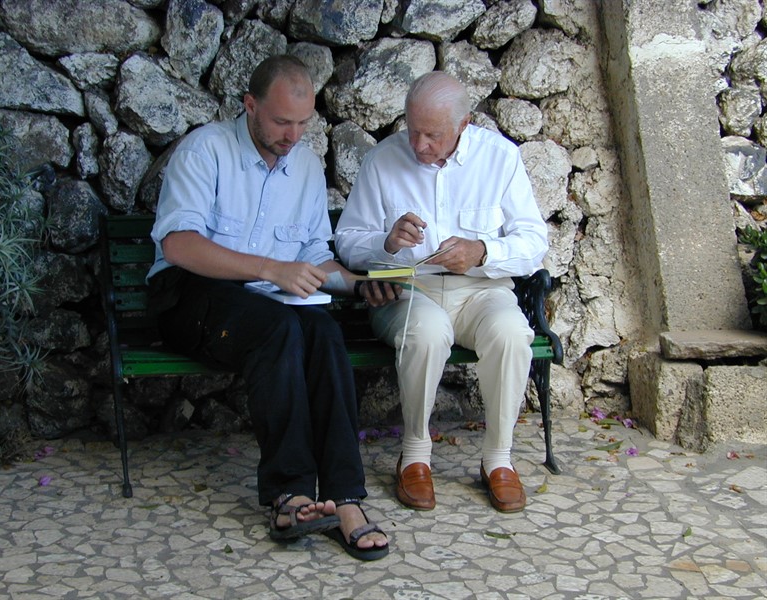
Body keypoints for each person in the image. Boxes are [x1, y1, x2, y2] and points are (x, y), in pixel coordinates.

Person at [146, 55, 390, 560]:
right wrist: (269, 269)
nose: (293, 135)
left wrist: (358, 284)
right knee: (280, 328)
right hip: (189, 296)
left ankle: (346, 497)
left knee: (322, 332)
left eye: (303, 123)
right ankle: (290, 493)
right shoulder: (205, 151)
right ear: (250, 106)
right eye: (281, 121)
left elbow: (312, 254)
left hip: (263, 303)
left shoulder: (302, 163)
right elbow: (178, 246)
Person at [334, 71, 548, 514]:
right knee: (427, 333)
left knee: (511, 332)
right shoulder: (382, 160)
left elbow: (533, 243)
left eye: (432, 135)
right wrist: (386, 243)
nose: (419, 145)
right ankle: (414, 454)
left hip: (481, 290)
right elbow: (347, 241)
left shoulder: (500, 158)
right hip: (412, 290)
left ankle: (499, 459)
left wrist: (483, 250)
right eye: (413, 130)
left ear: (464, 125)